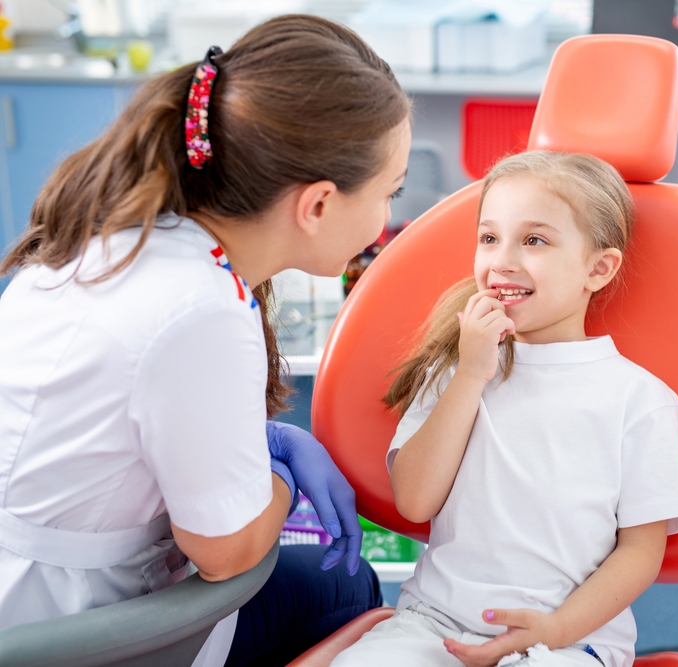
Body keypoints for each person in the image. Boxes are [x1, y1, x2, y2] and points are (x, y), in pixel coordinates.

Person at [0, 15, 411, 667]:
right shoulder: (201, 311)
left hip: (28, 586)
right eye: (391, 189)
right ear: (318, 204)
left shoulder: (121, 233)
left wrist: (267, 440)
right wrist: (279, 475)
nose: (388, 216)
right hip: (85, 629)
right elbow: (228, 552)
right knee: (344, 585)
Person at [331, 151, 678, 667]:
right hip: (433, 622)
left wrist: (555, 629)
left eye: (534, 240)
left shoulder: (638, 399)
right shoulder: (457, 367)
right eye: (489, 238)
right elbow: (414, 502)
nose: (501, 260)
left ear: (598, 268)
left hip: (568, 639)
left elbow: (640, 551)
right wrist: (470, 374)